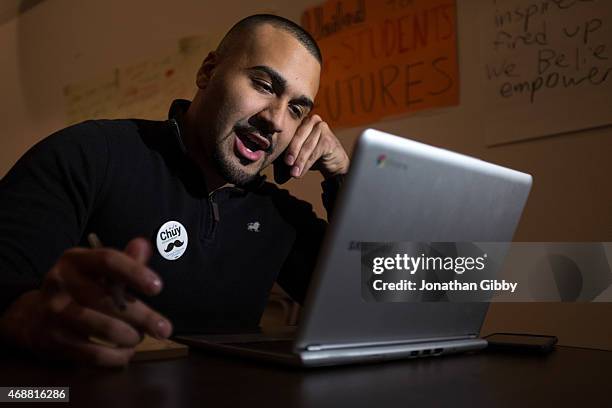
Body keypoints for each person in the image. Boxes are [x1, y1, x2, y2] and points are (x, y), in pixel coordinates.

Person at [0, 14, 349, 367]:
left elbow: (385, 297)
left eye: (296, 109)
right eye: (263, 84)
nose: (276, 120)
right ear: (208, 71)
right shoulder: (89, 155)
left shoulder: (279, 216)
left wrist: (342, 178)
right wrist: (22, 318)